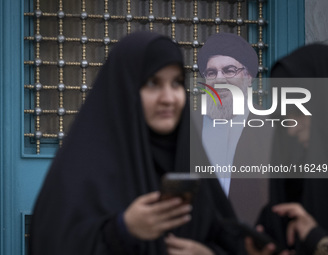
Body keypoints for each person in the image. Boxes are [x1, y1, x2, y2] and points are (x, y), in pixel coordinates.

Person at [28, 31, 240, 255]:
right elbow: (52, 244)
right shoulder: (82, 170)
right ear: (125, 89)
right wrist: (122, 231)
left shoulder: (189, 160)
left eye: (176, 83)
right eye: (152, 83)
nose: (168, 97)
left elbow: (229, 240)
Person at [247, 44, 328, 255]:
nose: (291, 130)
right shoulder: (291, 190)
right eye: (284, 114)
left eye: (298, 112)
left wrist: (317, 239)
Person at [194, 32, 273, 225]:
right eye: (211, 73)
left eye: (229, 70)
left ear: (248, 77)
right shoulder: (190, 127)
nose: (219, 79)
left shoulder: (271, 130)